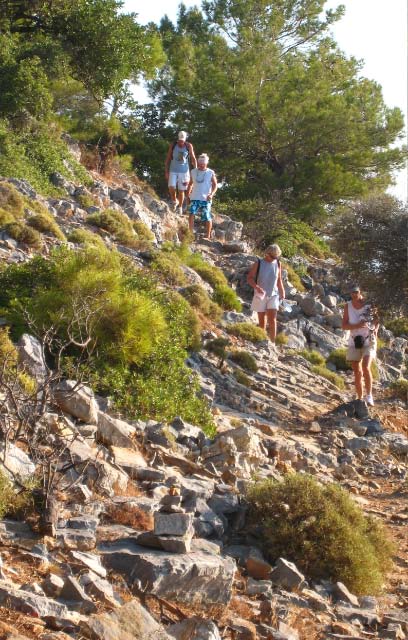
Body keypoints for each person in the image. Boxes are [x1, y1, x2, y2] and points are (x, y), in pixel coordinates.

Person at [341, 284, 379, 406]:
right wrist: (357, 326)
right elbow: (344, 325)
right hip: (354, 341)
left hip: (369, 340)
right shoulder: (348, 306)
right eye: (352, 292)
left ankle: (369, 396)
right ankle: (360, 398)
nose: (354, 295)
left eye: (356, 292)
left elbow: (377, 319)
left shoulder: (369, 304)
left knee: (365, 367)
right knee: (357, 371)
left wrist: (375, 329)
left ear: (360, 291)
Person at [247, 244, 285, 343]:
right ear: (267, 254)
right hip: (260, 295)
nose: (274, 259)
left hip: (274, 294)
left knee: (272, 320)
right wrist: (256, 287)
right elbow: (249, 278)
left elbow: (279, 280)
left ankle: (272, 343)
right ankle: (262, 340)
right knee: (262, 319)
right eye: (273, 256)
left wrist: (282, 292)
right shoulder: (259, 263)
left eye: (276, 257)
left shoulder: (278, 263)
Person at [186, 153, 217, 240]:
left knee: (207, 215)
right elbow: (190, 184)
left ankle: (208, 236)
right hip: (195, 197)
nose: (201, 165)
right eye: (199, 164)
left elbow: (215, 185)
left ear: (206, 163)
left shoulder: (210, 172)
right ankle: (190, 233)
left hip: (206, 198)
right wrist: (188, 195)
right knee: (191, 213)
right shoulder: (193, 171)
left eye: (202, 164)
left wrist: (211, 194)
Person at [165, 131, 196, 214]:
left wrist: (195, 170)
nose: (181, 143)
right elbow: (168, 157)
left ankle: (180, 207)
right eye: (180, 141)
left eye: (182, 141)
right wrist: (166, 171)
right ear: (178, 140)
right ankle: (174, 201)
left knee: (181, 190)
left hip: (184, 171)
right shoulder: (173, 145)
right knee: (171, 186)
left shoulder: (188, 146)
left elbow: (193, 158)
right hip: (173, 170)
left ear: (185, 140)